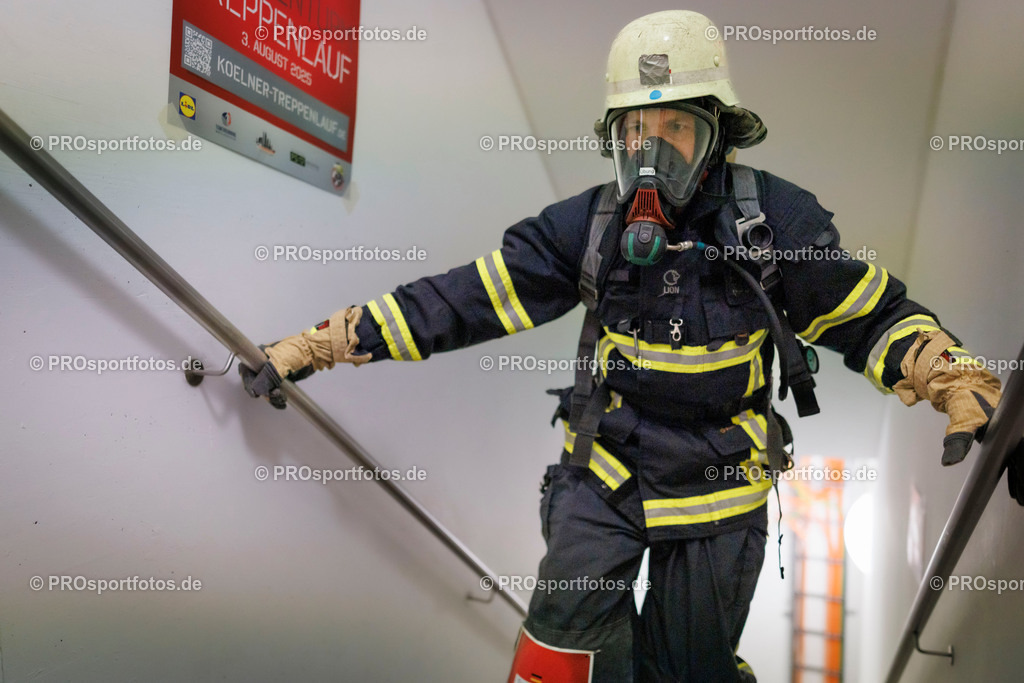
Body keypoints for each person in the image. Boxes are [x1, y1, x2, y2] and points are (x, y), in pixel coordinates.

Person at [240, 10, 1001, 682]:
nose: (653, 151)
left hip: (722, 483)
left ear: (716, 135)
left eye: (677, 127)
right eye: (637, 128)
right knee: (561, 659)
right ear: (615, 136)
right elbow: (464, 299)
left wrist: (948, 373)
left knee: (688, 671)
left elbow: (868, 313)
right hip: (604, 472)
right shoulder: (589, 226)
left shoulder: (773, 223)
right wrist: (326, 341)